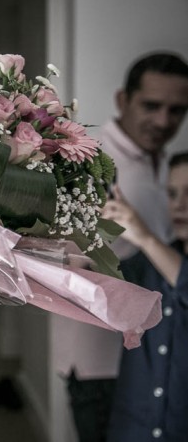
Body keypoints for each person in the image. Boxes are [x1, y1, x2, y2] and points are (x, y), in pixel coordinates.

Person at [57, 52, 188, 442]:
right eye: (151, 105)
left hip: (162, 360)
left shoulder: (166, 166)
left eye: (177, 110)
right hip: (107, 366)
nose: (163, 121)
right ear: (122, 101)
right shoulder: (90, 161)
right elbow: (66, 259)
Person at [102, 152, 188, 441]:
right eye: (173, 193)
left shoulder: (152, 250)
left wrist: (143, 234)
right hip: (132, 429)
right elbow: (93, 289)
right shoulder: (146, 265)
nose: (179, 204)